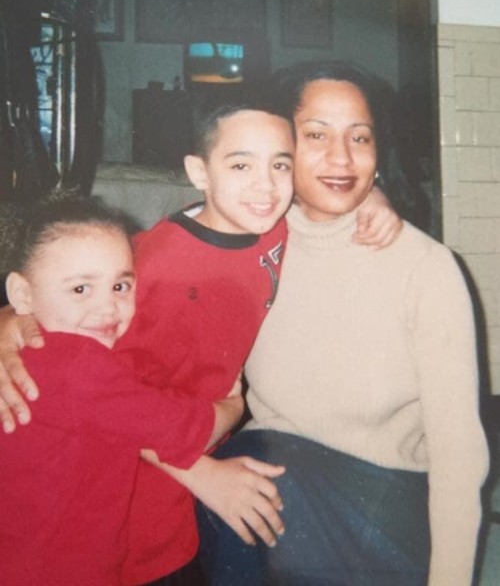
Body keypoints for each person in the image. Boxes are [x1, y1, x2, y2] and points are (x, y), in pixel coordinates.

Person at [0, 88, 401, 585]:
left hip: (203, 448)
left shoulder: (271, 224)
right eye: (240, 167)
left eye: (280, 165)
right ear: (199, 173)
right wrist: (204, 475)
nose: (265, 186)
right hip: (139, 491)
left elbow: (331, 196)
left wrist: (373, 199)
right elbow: (117, 405)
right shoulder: (155, 270)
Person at [195, 61, 490, 586]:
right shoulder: (245, 241)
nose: (341, 157)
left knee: (263, 488)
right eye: (316, 135)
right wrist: (12, 323)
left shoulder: (425, 267)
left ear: (378, 155)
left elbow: (460, 455)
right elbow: (112, 283)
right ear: (282, 148)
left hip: (388, 502)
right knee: (228, 484)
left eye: (360, 136)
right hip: (279, 475)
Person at [0, 192, 243, 585]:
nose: (108, 308)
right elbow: (183, 430)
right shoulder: (76, 364)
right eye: (81, 289)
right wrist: (232, 405)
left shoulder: (42, 354)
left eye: (121, 286)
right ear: (22, 294)